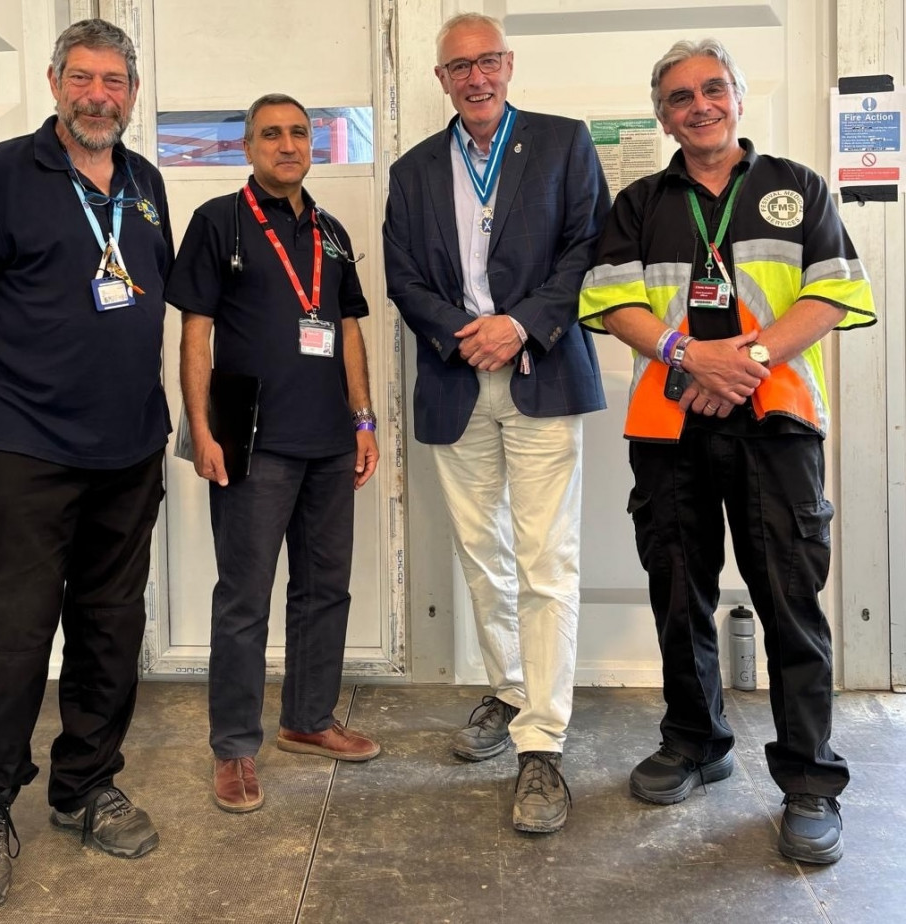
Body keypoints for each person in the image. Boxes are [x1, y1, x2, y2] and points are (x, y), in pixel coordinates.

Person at [579, 38, 876, 864]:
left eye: (713, 90)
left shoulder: (796, 187)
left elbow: (833, 294)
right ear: (662, 115)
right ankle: (696, 742)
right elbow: (610, 304)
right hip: (670, 424)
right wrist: (689, 357)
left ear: (738, 99)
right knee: (678, 590)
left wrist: (740, 362)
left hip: (776, 421)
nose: (698, 105)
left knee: (791, 600)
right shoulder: (639, 201)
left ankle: (811, 782)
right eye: (679, 97)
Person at [0, 18, 174, 912]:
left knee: (111, 629)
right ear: (54, 81)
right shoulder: (3, 173)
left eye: (113, 81)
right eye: (82, 78)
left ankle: (84, 785)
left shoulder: (145, 185)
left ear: (132, 93)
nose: (97, 95)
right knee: (12, 632)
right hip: (22, 448)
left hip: (129, 450)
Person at [383, 13, 609, 834]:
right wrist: (457, 332)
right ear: (440, 79)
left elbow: (588, 248)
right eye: (458, 68)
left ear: (508, 65)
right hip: (455, 379)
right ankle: (511, 689)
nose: (475, 79)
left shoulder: (561, 143)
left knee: (546, 557)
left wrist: (519, 323)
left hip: (540, 368)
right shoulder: (411, 172)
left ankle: (542, 742)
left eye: (487, 63)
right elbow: (403, 276)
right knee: (486, 555)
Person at [166, 93, 381, 816]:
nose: (287, 144)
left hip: (328, 441)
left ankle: (309, 719)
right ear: (247, 146)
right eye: (271, 134)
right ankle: (233, 747)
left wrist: (364, 418)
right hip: (251, 441)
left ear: (311, 143)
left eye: (298, 133)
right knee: (243, 600)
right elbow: (195, 331)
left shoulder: (332, 232)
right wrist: (199, 429)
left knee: (326, 589)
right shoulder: (216, 223)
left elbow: (347, 329)